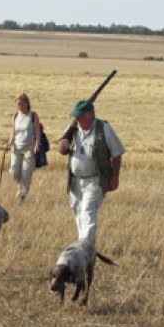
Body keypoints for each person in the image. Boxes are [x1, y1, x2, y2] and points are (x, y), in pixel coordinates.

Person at [58, 99, 125, 244]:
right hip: (75, 179)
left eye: (80, 116)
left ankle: (85, 246)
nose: (77, 119)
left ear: (91, 115)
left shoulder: (104, 129)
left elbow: (117, 153)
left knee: (88, 210)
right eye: (76, 116)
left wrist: (115, 178)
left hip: (96, 179)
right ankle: (84, 244)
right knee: (78, 212)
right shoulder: (72, 128)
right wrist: (63, 148)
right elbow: (62, 149)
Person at [6, 93, 44, 202]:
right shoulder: (15, 116)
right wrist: (9, 143)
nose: (19, 106)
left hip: (29, 149)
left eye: (21, 104)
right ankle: (23, 184)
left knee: (26, 174)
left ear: (27, 103)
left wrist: (37, 144)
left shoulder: (33, 115)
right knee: (14, 172)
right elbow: (13, 133)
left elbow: (37, 131)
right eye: (17, 104)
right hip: (17, 148)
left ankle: (20, 198)